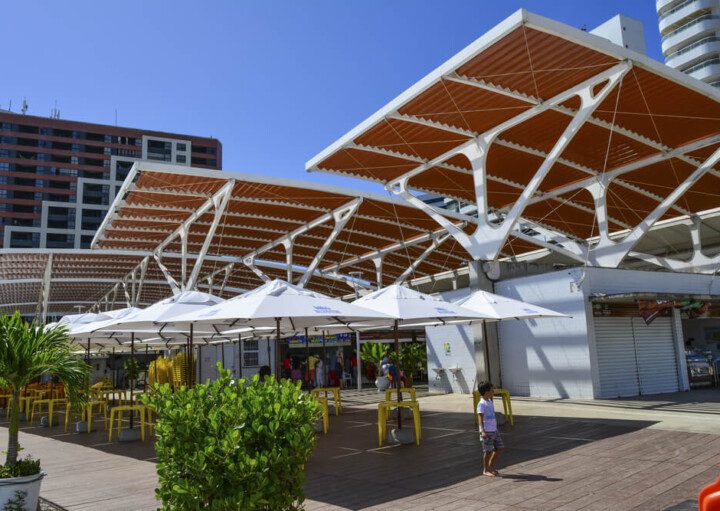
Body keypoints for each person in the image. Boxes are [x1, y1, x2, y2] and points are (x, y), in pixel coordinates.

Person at [477, 381, 503, 477]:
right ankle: (486, 469)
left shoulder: (489, 401)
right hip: (487, 431)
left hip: (494, 430)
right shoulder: (482, 403)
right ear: (487, 392)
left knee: (499, 448)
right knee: (487, 451)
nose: (493, 391)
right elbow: (480, 417)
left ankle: (491, 464)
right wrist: (482, 431)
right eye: (492, 389)